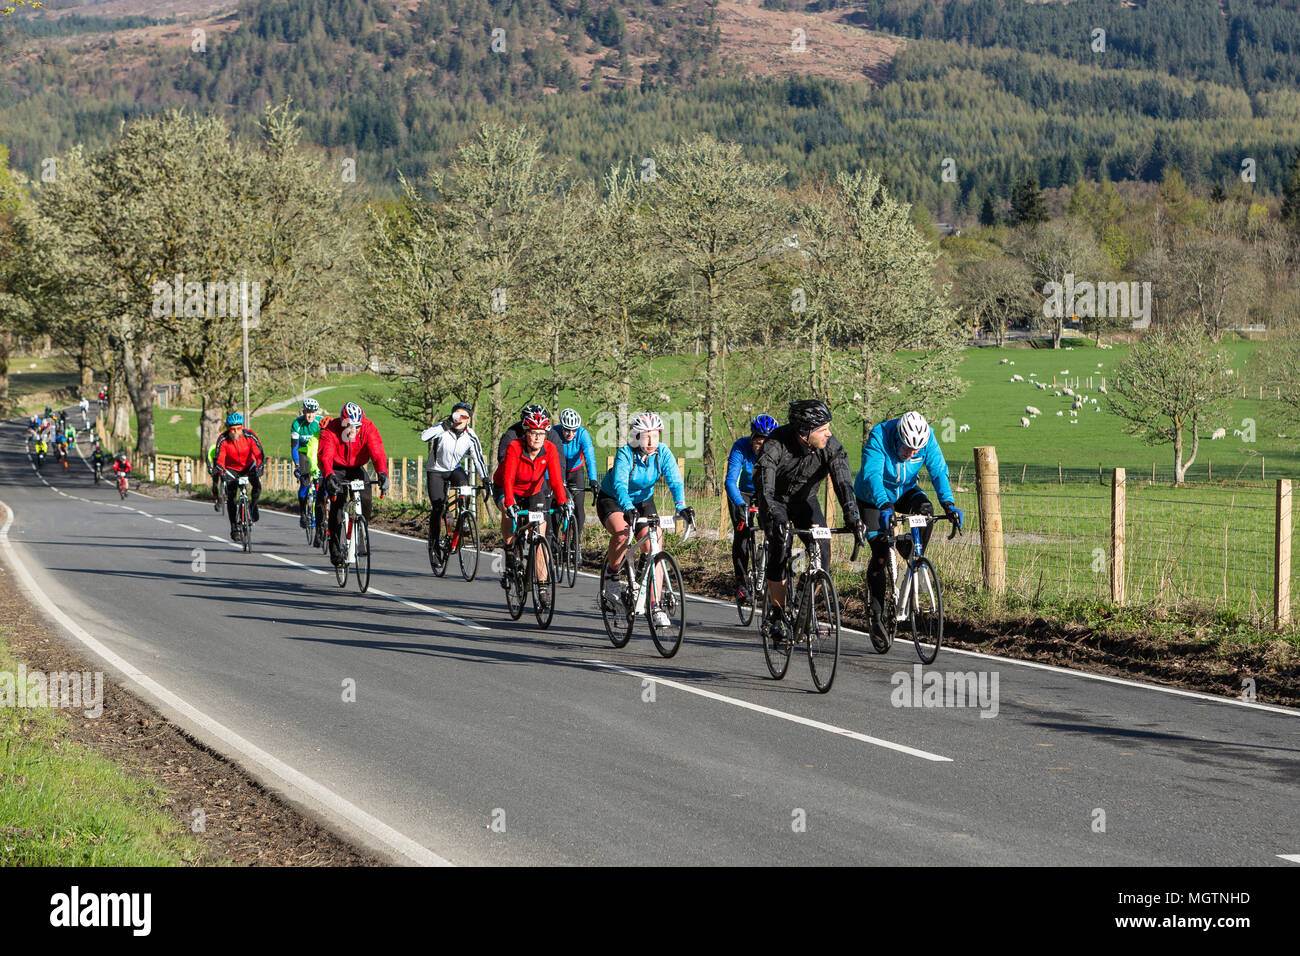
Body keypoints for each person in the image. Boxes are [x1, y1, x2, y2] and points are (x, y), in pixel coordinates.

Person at [753, 399, 865, 646]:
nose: (829, 433)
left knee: (823, 551)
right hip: (775, 501)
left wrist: (852, 517)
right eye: (823, 429)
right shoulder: (775, 444)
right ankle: (777, 613)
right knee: (780, 544)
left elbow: (843, 482)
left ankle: (804, 604)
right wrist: (774, 516)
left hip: (806, 501)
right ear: (805, 433)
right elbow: (764, 486)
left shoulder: (830, 446)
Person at [854, 410, 963, 648]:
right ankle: (876, 614)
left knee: (926, 511)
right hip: (873, 496)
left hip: (904, 491)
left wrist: (949, 504)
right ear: (898, 437)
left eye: (916, 450)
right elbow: (872, 475)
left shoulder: (928, 438)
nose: (912, 454)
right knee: (880, 554)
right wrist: (884, 505)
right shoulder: (880, 435)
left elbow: (938, 470)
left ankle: (912, 553)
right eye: (907, 448)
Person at [596, 411, 694, 629]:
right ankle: (612, 573)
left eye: (655, 436)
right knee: (623, 532)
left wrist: (681, 507)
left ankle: (655, 605)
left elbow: (675, 481)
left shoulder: (663, 453)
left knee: (655, 545)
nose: (651, 442)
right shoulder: (625, 454)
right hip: (613, 498)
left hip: (643, 500)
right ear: (636, 436)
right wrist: (627, 508)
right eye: (646, 436)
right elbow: (620, 485)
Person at [492, 409, 570, 594]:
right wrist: (510, 504)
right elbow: (508, 479)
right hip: (507, 488)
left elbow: (556, 480)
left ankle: (542, 586)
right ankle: (509, 550)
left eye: (541, 434)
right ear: (526, 433)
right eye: (533, 433)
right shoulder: (515, 447)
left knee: (540, 534)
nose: (537, 437)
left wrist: (563, 502)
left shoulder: (549, 449)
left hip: (534, 491)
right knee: (508, 514)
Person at [318, 402, 390, 566]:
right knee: (338, 503)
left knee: (366, 499)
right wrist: (329, 475)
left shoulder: (368, 427)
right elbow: (325, 455)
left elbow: (377, 452)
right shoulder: (332, 429)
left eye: (357, 426)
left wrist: (382, 473)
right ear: (342, 422)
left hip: (356, 467)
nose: (353, 430)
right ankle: (334, 546)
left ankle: (361, 533)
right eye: (349, 426)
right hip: (336, 468)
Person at [422, 401, 491, 560]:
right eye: (457, 415)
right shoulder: (442, 429)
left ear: (469, 420)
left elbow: (478, 458)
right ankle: (434, 546)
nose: (460, 419)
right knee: (438, 507)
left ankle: (463, 519)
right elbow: (424, 436)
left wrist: (485, 478)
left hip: (454, 469)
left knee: (465, 487)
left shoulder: (471, 436)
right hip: (436, 470)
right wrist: (443, 426)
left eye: (464, 417)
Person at [726, 413, 778, 603]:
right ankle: (741, 583)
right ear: (752, 437)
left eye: (765, 442)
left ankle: (773, 577)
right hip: (743, 493)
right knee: (742, 533)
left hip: (767, 492)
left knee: (775, 531)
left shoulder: (777, 450)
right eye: (757, 441)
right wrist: (740, 504)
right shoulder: (741, 446)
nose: (761, 446)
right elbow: (731, 481)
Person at [548, 408, 599, 543]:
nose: (570, 434)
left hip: (575, 471)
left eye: (574, 430)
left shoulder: (583, 434)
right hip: (557, 469)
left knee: (578, 507)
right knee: (555, 505)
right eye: (567, 430)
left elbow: (590, 458)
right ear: (562, 427)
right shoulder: (553, 433)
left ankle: (575, 541)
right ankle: (553, 540)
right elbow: (547, 456)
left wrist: (593, 480)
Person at [213, 412, 266, 541]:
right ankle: (234, 528)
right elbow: (219, 459)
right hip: (232, 469)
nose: (236, 431)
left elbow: (259, 453)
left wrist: (260, 467)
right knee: (231, 497)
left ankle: (253, 507)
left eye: (239, 428)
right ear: (228, 429)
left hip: (248, 466)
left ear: (242, 427)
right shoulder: (223, 439)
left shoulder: (249, 435)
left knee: (257, 486)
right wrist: (222, 472)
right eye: (233, 429)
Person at [290, 398, 323, 528]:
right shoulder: (297, 424)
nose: (310, 415)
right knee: (305, 483)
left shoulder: (320, 422)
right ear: (303, 412)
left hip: (317, 453)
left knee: (323, 482)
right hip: (303, 454)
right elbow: (294, 447)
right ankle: (303, 513)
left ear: (316, 412)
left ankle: (323, 511)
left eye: (313, 412)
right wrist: (297, 465)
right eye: (308, 412)